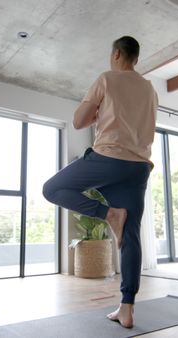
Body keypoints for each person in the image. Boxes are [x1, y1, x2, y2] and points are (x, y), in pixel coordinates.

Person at [42, 36, 157, 328]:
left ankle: (108, 214)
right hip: (138, 167)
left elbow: (79, 121)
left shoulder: (107, 78)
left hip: (108, 160)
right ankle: (127, 308)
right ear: (137, 58)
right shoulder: (149, 89)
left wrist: (95, 112)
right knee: (130, 237)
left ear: (116, 54)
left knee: (52, 189)